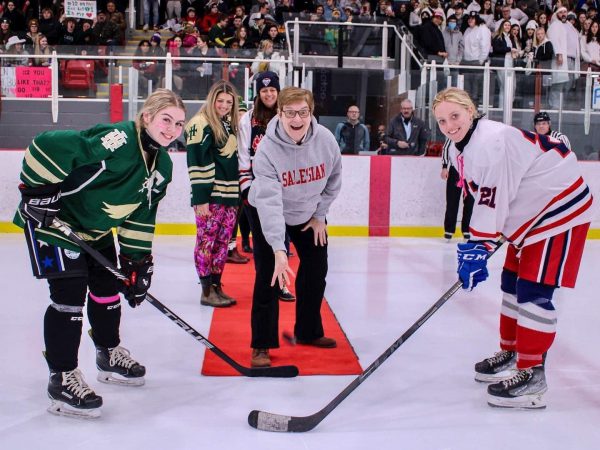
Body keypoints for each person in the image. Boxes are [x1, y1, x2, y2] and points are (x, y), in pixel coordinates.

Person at [13, 89, 186, 419]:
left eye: (178, 123)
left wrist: (137, 263)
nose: (172, 129)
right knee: (69, 295)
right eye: (166, 120)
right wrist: (37, 191)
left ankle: (108, 353)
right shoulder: (119, 139)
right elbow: (48, 144)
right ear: (146, 117)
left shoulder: (162, 165)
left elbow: (140, 214)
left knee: (108, 290)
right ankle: (62, 377)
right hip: (54, 224)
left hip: (95, 230)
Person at [432, 87, 594, 409]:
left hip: (557, 208)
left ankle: (533, 374)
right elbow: (484, 196)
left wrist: (480, 245)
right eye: (442, 120)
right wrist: (478, 242)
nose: (450, 125)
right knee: (510, 283)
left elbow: (493, 199)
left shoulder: (490, 142)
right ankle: (512, 351)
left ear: (471, 111)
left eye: (455, 116)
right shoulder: (457, 147)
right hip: (529, 212)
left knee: (533, 289)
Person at [247, 86, 342, 368]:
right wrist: (278, 248)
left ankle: (309, 331)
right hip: (266, 210)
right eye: (290, 113)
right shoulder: (266, 149)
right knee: (269, 275)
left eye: (303, 112)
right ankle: (262, 344)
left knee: (316, 269)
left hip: (308, 212)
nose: (297, 119)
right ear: (280, 113)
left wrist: (320, 215)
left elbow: (334, 179)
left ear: (311, 113)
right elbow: (270, 202)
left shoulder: (325, 140)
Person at [238, 71, 296, 303]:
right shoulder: (248, 119)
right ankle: (266, 285)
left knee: (282, 239)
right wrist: (246, 189)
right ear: (258, 93)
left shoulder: (287, 116)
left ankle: (282, 284)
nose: (269, 94)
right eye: (264, 91)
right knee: (261, 244)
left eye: (272, 90)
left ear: (278, 91)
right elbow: (243, 155)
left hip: (284, 191)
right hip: (257, 191)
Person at [185, 80, 241, 308]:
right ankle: (206, 290)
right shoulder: (200, 123)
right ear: (212, 100)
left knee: (222, 243)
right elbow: (197, 163)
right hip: (211, 197)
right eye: (220, 101)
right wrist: (201, 199)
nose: (225, 105)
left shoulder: (226, 124)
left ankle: (217, 287)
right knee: (206, 243)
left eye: (229, 102)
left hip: (229, 196)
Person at [440, 138, 473, 241]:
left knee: (470, 201)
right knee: (452, 200)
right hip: (455, 170)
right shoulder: (453, 133)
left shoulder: (476, 135)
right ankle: (449, 230)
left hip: (471, 171)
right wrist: (445, 167)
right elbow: (446, 148)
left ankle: (467, 230)